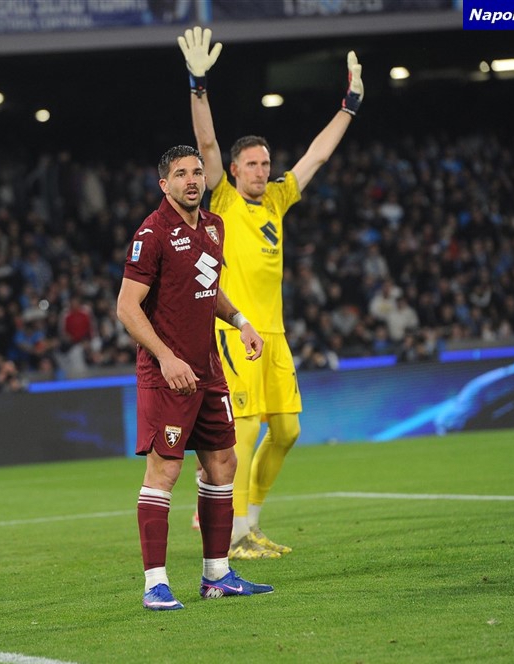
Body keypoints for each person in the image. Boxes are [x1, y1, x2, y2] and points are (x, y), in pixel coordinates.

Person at [177, 26, 364, 560]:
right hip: (235, 332)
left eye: (265, 163)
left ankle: (251, 524)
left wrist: (349, 106)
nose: (262, 171)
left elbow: (317, 156)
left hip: (275, 336)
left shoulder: (278, 199)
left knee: (286, 431)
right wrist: (198, 86)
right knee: (241, 432)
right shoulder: (222, 200)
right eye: (252, 164)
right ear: (234, 171)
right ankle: (231, 534)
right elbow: (206, 144)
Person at [117, 145, 272, 611]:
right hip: (166, 374)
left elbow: (208, 287)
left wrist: (241, 320)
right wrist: (166, 358)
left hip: (207, 369)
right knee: (165, 470)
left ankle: (217, 575)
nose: (192, 180)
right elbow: (126, 307)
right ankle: (155, 584)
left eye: (197, 172)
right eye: (181, 173)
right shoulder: (152, 233)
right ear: (164, 184)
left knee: (223, 462)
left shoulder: (213, 226)